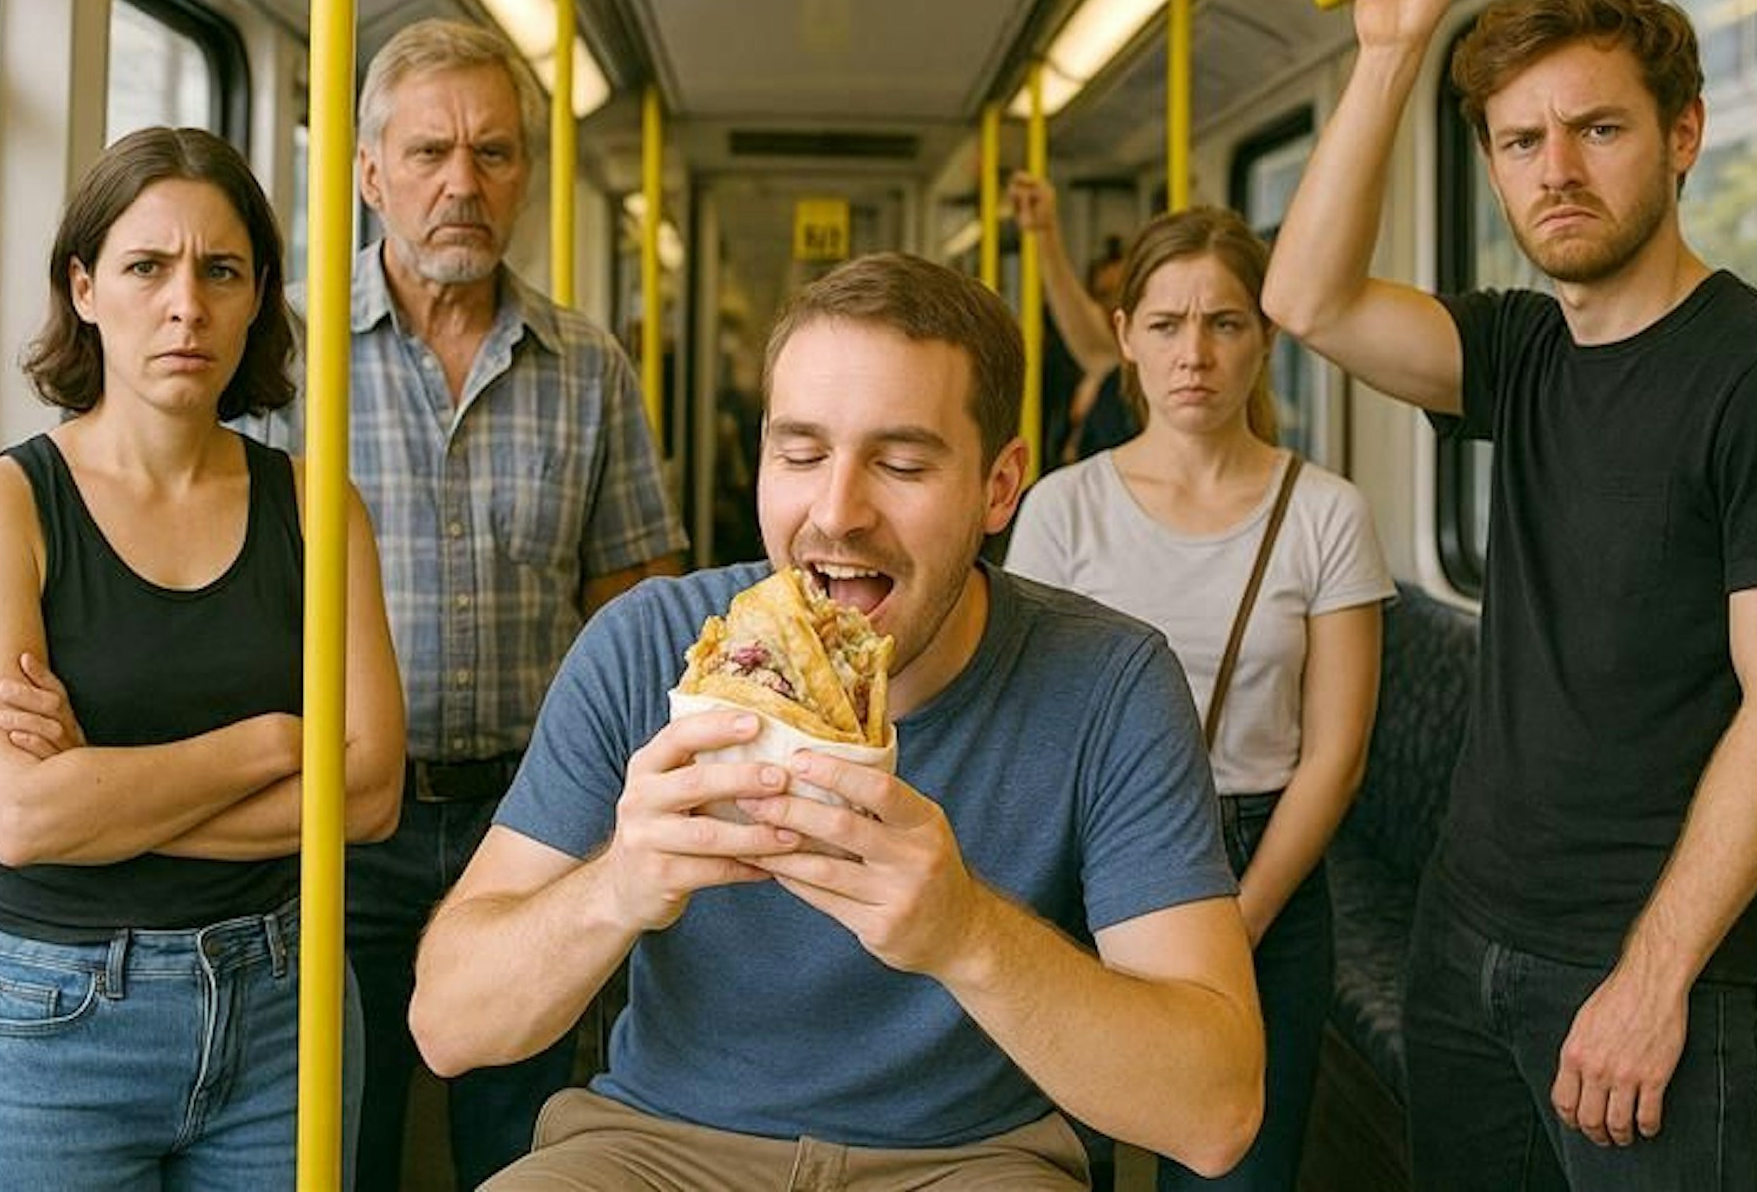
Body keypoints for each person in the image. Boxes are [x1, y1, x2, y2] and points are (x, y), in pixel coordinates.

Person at [409, 252, 1265, 1190]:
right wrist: (618, 882)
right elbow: (449, 1025)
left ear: (1000, 486)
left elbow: (1216, 1111)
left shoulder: (1109, 684)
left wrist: (965, 931)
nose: (836, 510)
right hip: (651, 1145)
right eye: (801, 453)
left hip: (970, 1161)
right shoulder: (649, 645)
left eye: (900, 462)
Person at [1262, 0, 1757, 1189]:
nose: (1553, 169)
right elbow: (1306, 299)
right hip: (1463, 930)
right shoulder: (1521, 349)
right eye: (1516, 140)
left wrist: (1651, 980)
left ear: (1681, 135)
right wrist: (1390, 51)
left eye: (1596, 127)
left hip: (1657, 967)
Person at [238, 18, 687, 1192]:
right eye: (429, 151)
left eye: (493, 153)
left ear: (526, 178)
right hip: (340, 817)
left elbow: (630, 603)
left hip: (535, 812)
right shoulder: (278, 353)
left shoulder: (587, 364)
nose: (461, 183)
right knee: (341, 1132)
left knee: (521, 1134)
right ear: (367, 172)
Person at [0, 126, 405, 1188]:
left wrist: (105, 791)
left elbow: (370, 792)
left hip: (287, 996)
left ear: (256, 300)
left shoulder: (319, 508)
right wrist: (275, 740)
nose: (186, 303)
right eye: (148, 266)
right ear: (86, 286)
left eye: (221, 270)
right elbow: (17, 817)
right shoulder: (1, 505)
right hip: (56, 1021)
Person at [1008, 205, 1392, 1190]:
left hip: (1262, 862)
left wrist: (1239, 915)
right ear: (1123, 336)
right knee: (1055, 1166)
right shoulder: (1062, 507)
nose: (1195, 354)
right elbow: (1031, 722)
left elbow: (1332, 755)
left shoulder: (1324, 513)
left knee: (1237, 1174)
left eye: (1224, 323)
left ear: (1263, 338)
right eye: (1167, 325)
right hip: (1080, 862)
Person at [1008, 171, 1141, 465]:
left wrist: (1045, 232)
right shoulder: (1076, 369)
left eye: (1125, 296)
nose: (1114, 307)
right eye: (1105, 296)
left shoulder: (1139, 382)